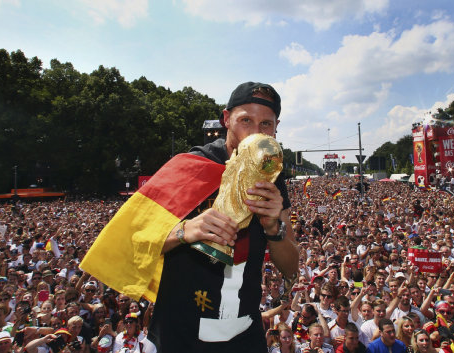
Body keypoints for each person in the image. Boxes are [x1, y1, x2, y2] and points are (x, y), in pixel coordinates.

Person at [81, 81, 299, 353]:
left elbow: (291, 268)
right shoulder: (189, 167)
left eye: (266, 125)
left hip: (244, 333)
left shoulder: (273, 180)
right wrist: (184, 231)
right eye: (246, 120)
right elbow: (130, 243)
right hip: (179, 334)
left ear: (276, 127)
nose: (256, 133)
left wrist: (272, 226)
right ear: (226, 119)